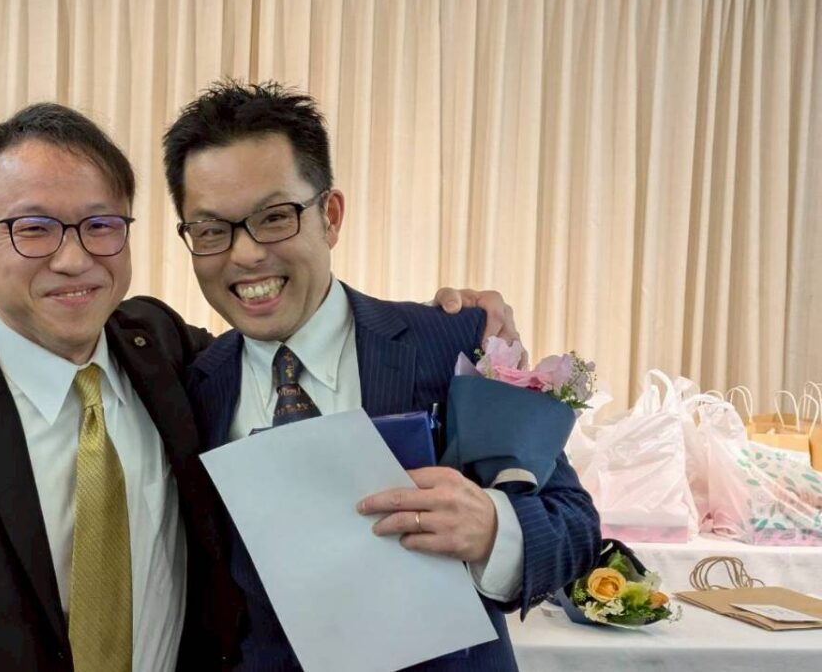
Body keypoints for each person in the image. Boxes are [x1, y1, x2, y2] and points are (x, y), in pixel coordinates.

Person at [0, 101, 520, 671]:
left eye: (100, 225)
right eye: (34, 229)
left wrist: (466, 322)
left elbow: (292, 337)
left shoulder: (167, 354)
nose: (74, 259)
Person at [163, 80, 600, 670]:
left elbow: (575, 529)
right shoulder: (193, 388)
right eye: (212, 230)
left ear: (330, 217)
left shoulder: (449, 343)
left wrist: (495, 529)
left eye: (274, 217)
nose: (245, 254)